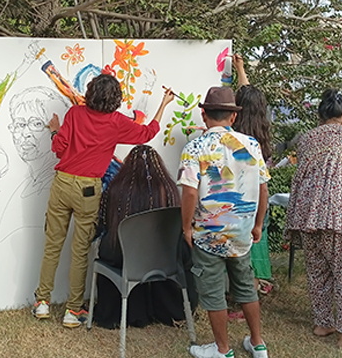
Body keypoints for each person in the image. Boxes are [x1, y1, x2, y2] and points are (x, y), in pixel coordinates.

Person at [32, 73, 173, 328]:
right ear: (116, 99)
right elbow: (147, 133)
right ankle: (73, 311)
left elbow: (59, 149)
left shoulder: (75, 114)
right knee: (80, 251)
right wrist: (163, 104)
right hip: (88, 189)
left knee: (53, 243)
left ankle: (42, 302)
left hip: (62, 183)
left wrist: (54, 131)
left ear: (90, 92)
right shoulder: (117, 122)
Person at [284, 89, 342, 352]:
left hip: (307, 212)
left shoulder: (306, 139)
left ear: (319, 115)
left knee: (318, 269)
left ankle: (322, 323)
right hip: (340, 212)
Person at [178, 87, 270, 358]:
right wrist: (257, 224)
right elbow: (263, 187)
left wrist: (186, 228)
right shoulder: (250, 146)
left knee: (213, 291)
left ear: (204, 115)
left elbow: (190, 191)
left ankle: (222, 350)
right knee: (245, 286)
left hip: (208, 234)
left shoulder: (195, 147)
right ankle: (257, 343)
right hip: (242, 232)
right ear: (232, 117)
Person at [92, 145, 197, 328]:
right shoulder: (169, 188)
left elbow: (104, 224)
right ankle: (172, 310)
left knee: (108, 251)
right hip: (164, 255)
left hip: (125, 254)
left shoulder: (116, 188)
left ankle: (118, 313)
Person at [232, 54, 274, 294]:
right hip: (258, 198)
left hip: (240, 197)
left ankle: (244, 293)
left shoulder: (236, 136)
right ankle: (252, 291)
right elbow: (248, 94)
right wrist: (240, 67)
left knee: (244, 250)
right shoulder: (261, 131)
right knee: (257, 245)